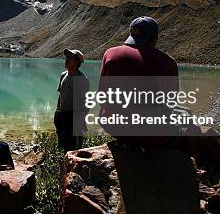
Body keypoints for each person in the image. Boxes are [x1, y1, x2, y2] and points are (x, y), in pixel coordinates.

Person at [99, 16, 178, 146]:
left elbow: (101, 95)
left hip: (113, 126)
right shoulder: (167, 62)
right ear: (154, 38)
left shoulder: (110, 54)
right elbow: (171, 101)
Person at [54, 49, 90, 150]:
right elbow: (61, 95)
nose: (66, 60)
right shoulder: (63, 75)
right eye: (66, 57)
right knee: (62, 145)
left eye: (70, 58)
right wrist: (58, 112)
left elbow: (86, 103)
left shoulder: (81, 79)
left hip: (73, 117)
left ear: (77, 61)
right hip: (62, 115)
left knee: (74, 148)